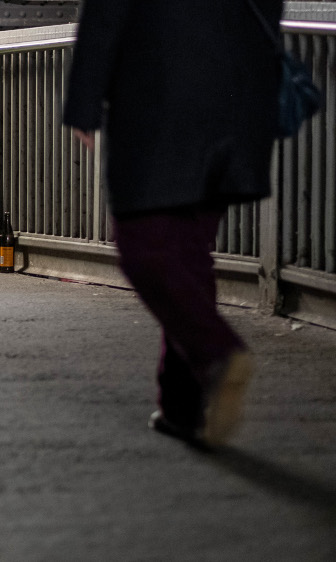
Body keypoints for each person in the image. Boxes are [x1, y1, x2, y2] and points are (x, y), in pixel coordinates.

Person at [63, 0, 282, 446]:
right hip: (237, 103)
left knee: (144, 248)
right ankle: (182, 408)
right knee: (187, 257)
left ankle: (218, 353)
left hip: (160, 101)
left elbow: (107, 13)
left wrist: (84, 103)